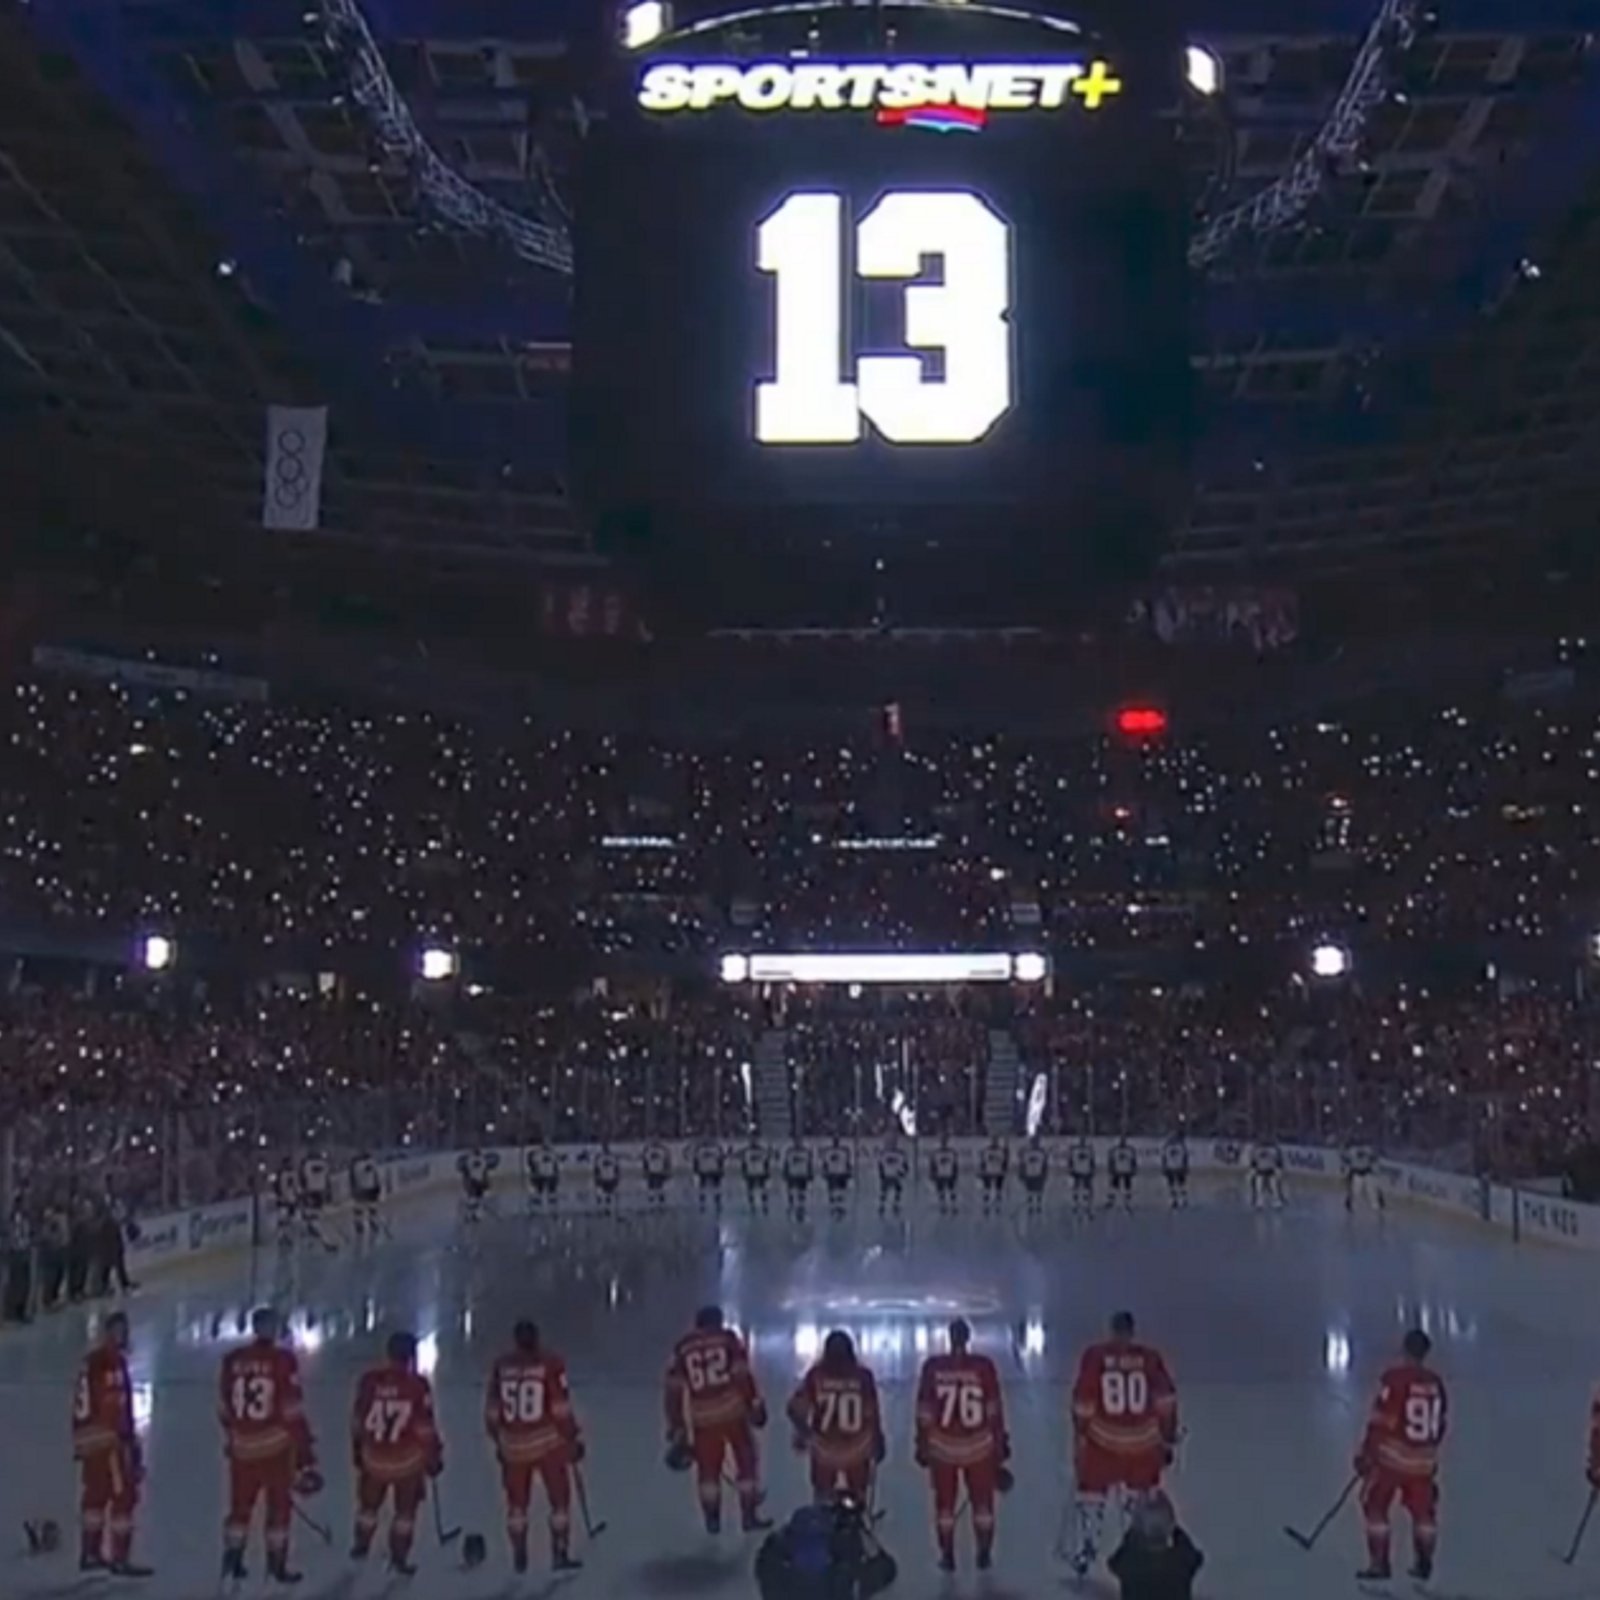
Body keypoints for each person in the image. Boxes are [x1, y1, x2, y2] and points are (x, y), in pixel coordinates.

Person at [1068, 1311, 1179, 1577]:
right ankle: (1141, 1548)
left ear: (1112, 1330)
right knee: (1139, 1500)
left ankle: (1088, 1548)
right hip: (1142, 1444)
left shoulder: (1094, 1357)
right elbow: (1166, 1402)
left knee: (1092, 1495)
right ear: (1132, 1330)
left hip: (1104, 1443)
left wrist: (1081, 1434)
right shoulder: (1151, 1359)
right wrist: (1167, 1437)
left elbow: (1083, 1402)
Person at [219, 1306, 319, 1584]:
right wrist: (305, 1455)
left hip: (242, 1449)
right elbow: (292, 1412)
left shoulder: (232, 1360)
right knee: (278, 1508)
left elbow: (224, 1409)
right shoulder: (283, 1360)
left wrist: (236, 1436)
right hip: (275, 1449)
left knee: (240, 1507)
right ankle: (277, 1565)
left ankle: (233, 1558)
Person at [486, 1319, 584, 1574]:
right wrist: (571, 1436)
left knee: (517, 1504)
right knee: (559, 1499)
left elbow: (493, 1410)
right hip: (547, 1443)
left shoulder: (501, 1366)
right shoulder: (550, 1364)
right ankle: (559, 1551)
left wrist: (498, 1438)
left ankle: (519, 1552)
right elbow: (560, 1406)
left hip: (513, 1447)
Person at [664, 1305, 771, 1533]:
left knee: (708, 1471)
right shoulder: (728, 1340)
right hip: (733, 1412)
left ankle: (712, 1519)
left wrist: (676, 1426)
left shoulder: (682, 1348)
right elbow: (742, 1376)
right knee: (746, 1461)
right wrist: (754, 1405)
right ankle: (749, 1515)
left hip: (703, 1418)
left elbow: (673, 1390)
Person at [914, 1318, 1008, 1571]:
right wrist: (999, 1447)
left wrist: (922, 1443)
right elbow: (993, 1410)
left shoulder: (932, 1368)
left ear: (949, 1337)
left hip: (942, 1449)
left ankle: (947, 1554)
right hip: (979, 1448)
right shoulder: (984, 1367)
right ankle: (984, 1551)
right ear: (967, 1338)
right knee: (982, 1504)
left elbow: (925, 1411)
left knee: (945, 1505)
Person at [1356, 1328, 1446, 1582]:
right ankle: (1424, 1560)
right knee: (1424, 1512)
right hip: (1424, 1461)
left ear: (1404, 1349)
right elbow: (1440, 1422)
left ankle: (1379, 1563)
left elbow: (1382, 1421)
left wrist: (1367, 1454)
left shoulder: (1395, 1379)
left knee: (1375, 1504)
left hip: (1392, 1459)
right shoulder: (1435, 1383)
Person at [351, 1330, 444, 1575]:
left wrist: (358, 1449)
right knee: (405, 1512)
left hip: (374, 1459)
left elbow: (358, 1419)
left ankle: (361, 1545)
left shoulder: (369, 1381)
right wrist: (434, 1455)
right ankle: (399, 1555)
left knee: (368, 1508)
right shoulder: (417, 1385)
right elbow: (424, 1427)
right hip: (407, 1462)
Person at [72, 1310, 150, 1575]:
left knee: (94, 1497)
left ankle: (90, 1552)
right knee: (123, 1496)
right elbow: (114, 1406)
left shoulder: (91, 1362)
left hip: (88, 1441)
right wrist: (129, 1443)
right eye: (119, 1331)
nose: (124, 1336)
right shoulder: (110, 1364)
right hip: (109, 1443)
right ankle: (120, 1556)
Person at [787, 1330, 885, 1505]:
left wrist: (804, 1433)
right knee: (858, 1492)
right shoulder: (863, 1377)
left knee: (822, 1495)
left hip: (824, 1449)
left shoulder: (816, 1375)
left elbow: (794, 1408)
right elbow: (871, 1413)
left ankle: (824, 1520)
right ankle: (855, 1518)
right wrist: (878, 1440)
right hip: (858, 1447)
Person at [754, 1492, 898, 1600]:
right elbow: (886, 1571)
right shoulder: (845, 1555)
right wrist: (859, 1530)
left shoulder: (777, 1558)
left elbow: (764, 1564)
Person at [1107, 1490, 1203, 1600]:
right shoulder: (1181, 1560)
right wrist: (1176, 1530)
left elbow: (1114, 1563)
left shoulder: (1131, 1562)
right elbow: (1196, 1558)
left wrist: (1131, 1534)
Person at [349, 1151, 383, 1243]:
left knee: (359, 1207)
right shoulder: (371, 1162)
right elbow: (376, 1175)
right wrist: (378, 1186)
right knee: (370, 1206)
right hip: (369, 1187)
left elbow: (352, 1178)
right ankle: (371, 1221)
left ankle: (359, 1223)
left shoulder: (355, 1164)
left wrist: (353, 1188)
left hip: (360, 1188)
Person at [458, 1148, 496, 1224]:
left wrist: (467, 1183)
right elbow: (484, 1172)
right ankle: (475, 1214)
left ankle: (473, 1215)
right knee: (478, 1199)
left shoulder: (470, 1160)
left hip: (474, 1181)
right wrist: (486, 1183)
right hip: (478, 1181)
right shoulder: (482, 1160)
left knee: (474, 1199)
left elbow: (467, 1172)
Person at [525, 1138, 560, 1217]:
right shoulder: (538, 1153)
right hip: (541, 1176)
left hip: (550, 1175)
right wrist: (534, 1175)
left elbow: (555, 1165)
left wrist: (556, 1175)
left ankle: (553, 1211)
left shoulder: (552, 1153)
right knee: (538, 1194)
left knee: (552, 1194)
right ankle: (535, 1211)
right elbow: (533, 1165)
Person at [877, 1134, 910, 1219]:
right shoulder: (884, 1153)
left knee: (898, 1189)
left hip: (895, 1175)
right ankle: (882, 1206)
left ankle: (895, 1205)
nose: (892, 1144)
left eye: (893, 1142)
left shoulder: (900, 1153)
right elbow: (880, 1164)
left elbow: (905, 1165)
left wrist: (904, 1172)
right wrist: (881, 1174)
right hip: (887, 1175)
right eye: (890, 1142)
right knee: (884, 1191)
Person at [821, 1138, 853, 1220]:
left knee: (841, 1192)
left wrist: (849, 1171)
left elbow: (847, 1162)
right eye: (835, 1141)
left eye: (837, 1141)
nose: (836, 1142)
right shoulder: (828, 1152)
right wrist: (824, 1172)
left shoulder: (844, 1151)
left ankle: (840, 1208)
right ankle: (833, 1209)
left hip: (842, 1173)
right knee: (832, 1192)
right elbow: (825, 1163)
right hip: (832, 1174)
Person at [1344, 1142, 1380, 1213]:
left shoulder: (1367, 1150)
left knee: (1372, 1187)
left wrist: (1372, 1163)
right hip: (1355, 1171)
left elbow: (1374, 1158)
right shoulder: (1353, 1151)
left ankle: (1379, 1200)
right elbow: (1347, 1158)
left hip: (1366, 1171)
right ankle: (1349, 1202)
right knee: (1353, 1190)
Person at [1019, 1136, 1049, 1218]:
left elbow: (1045, 1164)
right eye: (1033, 1142)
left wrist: (1045, 1174)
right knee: (1030, 1191)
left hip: (1038, 1174)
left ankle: (1038, 1206)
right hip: (1029, 1174)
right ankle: (1030, 1207)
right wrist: (1022, 1174)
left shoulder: (1042, 1152)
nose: (1035, 1143)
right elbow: (1023, 1164)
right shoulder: (1026, 1152)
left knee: (1039, 1191)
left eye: (1036, 1142)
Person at [1249, 1139, 1284, 1211]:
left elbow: (1278, 1161)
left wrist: (1278, 1170)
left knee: (1273, 1188)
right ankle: (1260, 1202)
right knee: (1260, 1188)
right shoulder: (1256, 1150)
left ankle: (1276, 1202)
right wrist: (1253, 1171)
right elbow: (1253, 1162)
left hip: (1270, 1171)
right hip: (1261, 1171)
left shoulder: (1273, 1150)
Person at [929, 1136, 959, 1218]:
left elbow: (955, 1164)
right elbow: (933, 1164)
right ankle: (943, 1206)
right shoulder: (936, 1153)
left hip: (949, 1174)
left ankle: (953, 1206)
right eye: (942, 1141)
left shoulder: (952, 1152)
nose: (943, 1143)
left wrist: (955, 1173)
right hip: (940, 1174)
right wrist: (932, 1174)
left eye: (945, 1141)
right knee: (941, 1191)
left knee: (952, 1191)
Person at [784, 1141, 814, 1222]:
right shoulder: (789, 1151)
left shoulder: (806, 1151)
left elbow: (809, 1163)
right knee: (791, 1193)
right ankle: (791, 1209)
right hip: (792, 1175)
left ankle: (801, 1210)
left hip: (802, 1175)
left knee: (801, 1194)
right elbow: (786, 1163)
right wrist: (785, 1173)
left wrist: (810, 1173)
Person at [694, 1139, 727, 1213]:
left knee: (717, 1188)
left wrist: (721, 1169)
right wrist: (696, 1170)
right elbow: (696, 1160)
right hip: (703, 1170)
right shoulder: (699, 1148)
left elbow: (720, 1159)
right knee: (702, 1189)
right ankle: (702, 1204)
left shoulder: (717, 1147)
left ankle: (718, 1203)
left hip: (714, 1170)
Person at [978, 1137, 1008, 1216]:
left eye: (996, 1141)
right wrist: (982, 1171)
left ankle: (998, 1207)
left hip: (998, 1172)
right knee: (987, 1189)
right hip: (988, 1172)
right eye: (993, 1141)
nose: (994, 1142)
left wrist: (1004, 1170)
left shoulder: (1001, 1150)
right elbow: (983, 1162)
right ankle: (986, 1206)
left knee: (998, 1189)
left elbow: (1004, 1162)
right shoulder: (987, 1150)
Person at [1068, 1137, 1097, 1218]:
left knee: (1088, 1189)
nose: (1082, 1142)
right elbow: (1070, 1160)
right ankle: (1076, 1204)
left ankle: (1088, 1205)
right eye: (1081, 1140)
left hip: (1086, 1171)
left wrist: (1092, 1169)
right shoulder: (1075, 1150)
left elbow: (1092, 1160)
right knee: (1076, 1188)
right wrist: (1071, 1168)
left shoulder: (1089, 1150)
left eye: (1083, 1140)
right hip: (1077, 1171)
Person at [743, 1136, 773, 1215]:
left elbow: (766, 1162)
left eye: (755, 1139)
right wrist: (744, 1173)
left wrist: (767, 1172)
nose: (753, 1141)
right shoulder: (746, 1150)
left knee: (763, 1190)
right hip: (750, 1173)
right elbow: (744, 1163)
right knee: (750, 1191)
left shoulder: (762, 1150)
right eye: (752, 1139)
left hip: (761, 1172)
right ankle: (752, 1206)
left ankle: (765, 1206)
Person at [1107, 1140, 1138, 1213]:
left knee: (1127, 1186)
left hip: (1127, 1170)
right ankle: (1112, 1200)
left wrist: (1134, 1169)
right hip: (1117, 1170)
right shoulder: (1115, 1150)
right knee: (1114, 1186)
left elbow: (1133, 1161)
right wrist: (1111, 1169)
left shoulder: (1129, 1150)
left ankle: (1128, 1202)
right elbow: (1112, 1160)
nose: (1122, 1143)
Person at [1160, 1136, 1189, 1211]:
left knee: (1180, 1184)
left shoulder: (1180, 1146)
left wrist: (1185, 1166)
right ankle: (1174, 1199)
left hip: (1178, 1167)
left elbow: (1185, 1157)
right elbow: (1163, 1157)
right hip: (1171, 1167)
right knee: (1172, 1184)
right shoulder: (1168, 1147)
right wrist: (1164, 1167)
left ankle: (1182, 1199)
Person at [593, 1143, 622, 1217]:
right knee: (600, 1195)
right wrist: (596, 1178)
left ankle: (607, 1211)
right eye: (604, 1147)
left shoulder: (612, 1157)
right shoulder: (599, 1157)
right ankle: (600, 1211)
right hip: (603, 1178)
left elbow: (617, 1168)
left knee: (608, 1196)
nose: (605, 1149)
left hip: (610, 1178)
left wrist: (617, 1178)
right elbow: (596, 1169)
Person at [642, 1139, 672, 1210]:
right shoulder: (648, 1150)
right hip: (651, 1171)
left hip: (660, 1171)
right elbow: (645, 1161)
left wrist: (667, 1171)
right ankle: (651, 1204)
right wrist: (645, 1171)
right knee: (651, 1188)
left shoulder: (663, 1150)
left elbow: (667, 1161)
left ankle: (661, 1204)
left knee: (660, 1188)